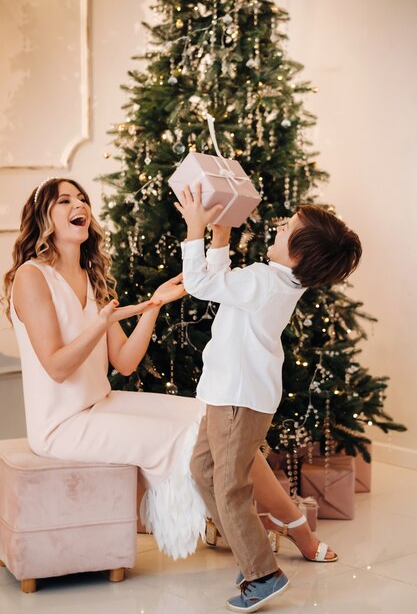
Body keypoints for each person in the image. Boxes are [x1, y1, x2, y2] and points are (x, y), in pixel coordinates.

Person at [3, 177, 338, 570]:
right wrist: (101, 322)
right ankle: (287, 528)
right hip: (61, 424)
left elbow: (124, 362)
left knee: (206, 415)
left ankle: (268, 521)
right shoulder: (31, 276)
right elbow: (57, 367)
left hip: (100, 402)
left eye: (82, 199)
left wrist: (154, 305)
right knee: (191, 436)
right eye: (64, 201)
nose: (79, 205)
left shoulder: (91, 278)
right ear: (43, 216)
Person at [176, 183, 362, 612]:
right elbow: (222, 283)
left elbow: (202, 284)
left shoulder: (263, 281)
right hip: (230, 395)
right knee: (203, 471)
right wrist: (219, 237)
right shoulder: (274, 280)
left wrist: (195, 229)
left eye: (285, 230)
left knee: (228, 485)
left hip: (237, 399)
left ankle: (263, 575)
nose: (277, 228)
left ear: (297, 255)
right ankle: (252, 555)